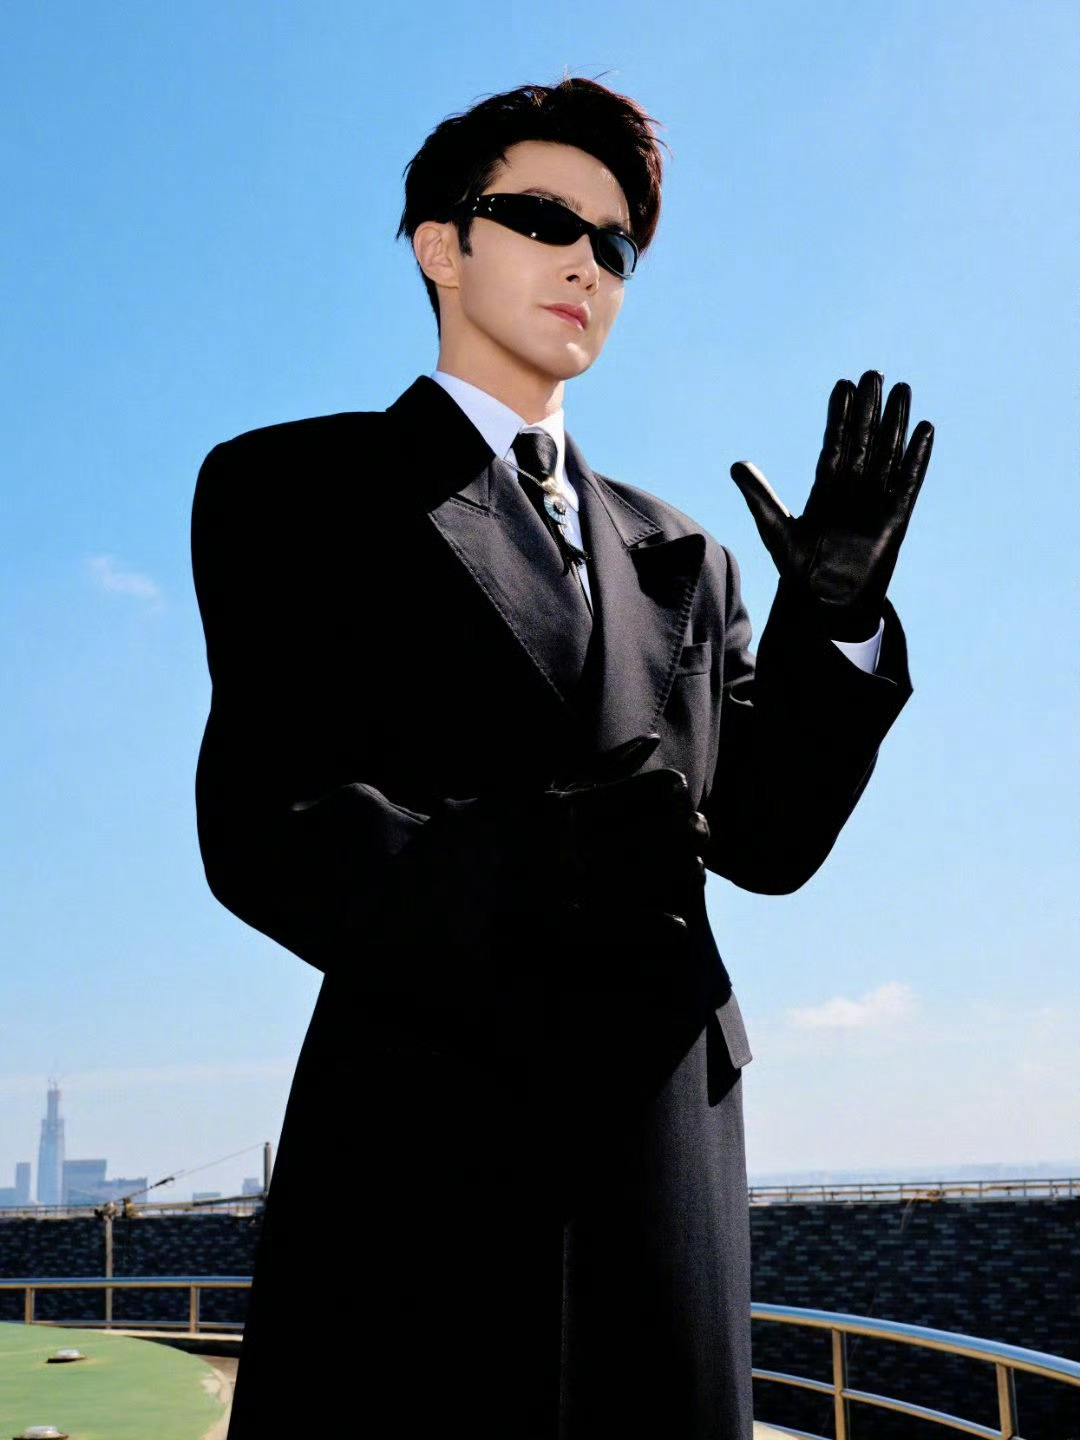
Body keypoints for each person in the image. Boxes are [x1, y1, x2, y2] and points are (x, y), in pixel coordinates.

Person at [192, 77, 933, 1440]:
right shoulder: (297, 488)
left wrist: (833, 626)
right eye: (543, 219)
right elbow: (268, 828)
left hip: (667, 1147)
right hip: (426, 1133)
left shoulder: (686, 554)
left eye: (616, 244)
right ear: (442, 244)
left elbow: (767, 842)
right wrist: (534, 859)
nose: (587, 261)